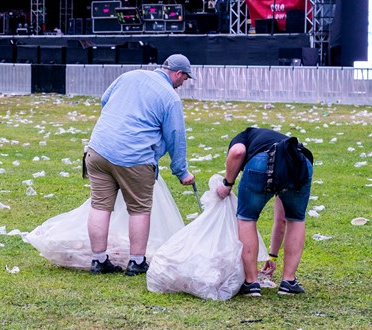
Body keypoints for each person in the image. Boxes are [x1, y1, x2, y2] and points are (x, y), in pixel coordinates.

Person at [83, 54, 196, 276]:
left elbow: (105, 100)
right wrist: (181, 172)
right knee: (139, 209)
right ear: (178, 73)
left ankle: (98, 260)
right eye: (184, 78)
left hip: (98, 150)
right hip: (134, 158)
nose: (183, 84)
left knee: (99, 205)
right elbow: (175, 136)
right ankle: (136, 262)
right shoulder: (170, 98)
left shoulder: (129, 76)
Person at [215, 127, 314, 296]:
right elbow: (282, 218)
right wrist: (272, 256)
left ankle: (252, 283)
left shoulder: (242, 136)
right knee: (296, 218)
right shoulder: (280, 146)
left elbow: (237, 152)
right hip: (300, 161)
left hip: (262, 162)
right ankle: (288, 281)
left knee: (247, 218)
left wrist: (227, 183)